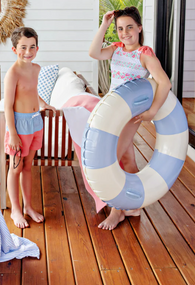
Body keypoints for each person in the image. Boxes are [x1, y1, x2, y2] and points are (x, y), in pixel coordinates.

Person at [89, 7, 171, 230]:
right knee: (127, 159)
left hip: (129, 115)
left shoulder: (144, 53)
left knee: (112, 159)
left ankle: (117, 211)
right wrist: (105, 24)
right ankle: (133, 205)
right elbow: (94, 53)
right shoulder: (116, 49)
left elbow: (165, 83)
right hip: (111, 112)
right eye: (120, 29)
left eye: (130, 28)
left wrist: (153, 112)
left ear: (139, 28)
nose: (125, 33)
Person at [4, 27, 56, 229]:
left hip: (36, 122)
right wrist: (13, 135)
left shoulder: (36, 68)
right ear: (14, 49)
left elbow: (32, 92)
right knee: (15, 168)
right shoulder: (12, 73)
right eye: (23, 47)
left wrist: (43, 104)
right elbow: (8, 105)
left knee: (28, 167)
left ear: (37, 48)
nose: (28, 51)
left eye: (32, 47)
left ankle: (29, 207)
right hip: (20, 125)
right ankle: (15, 210)